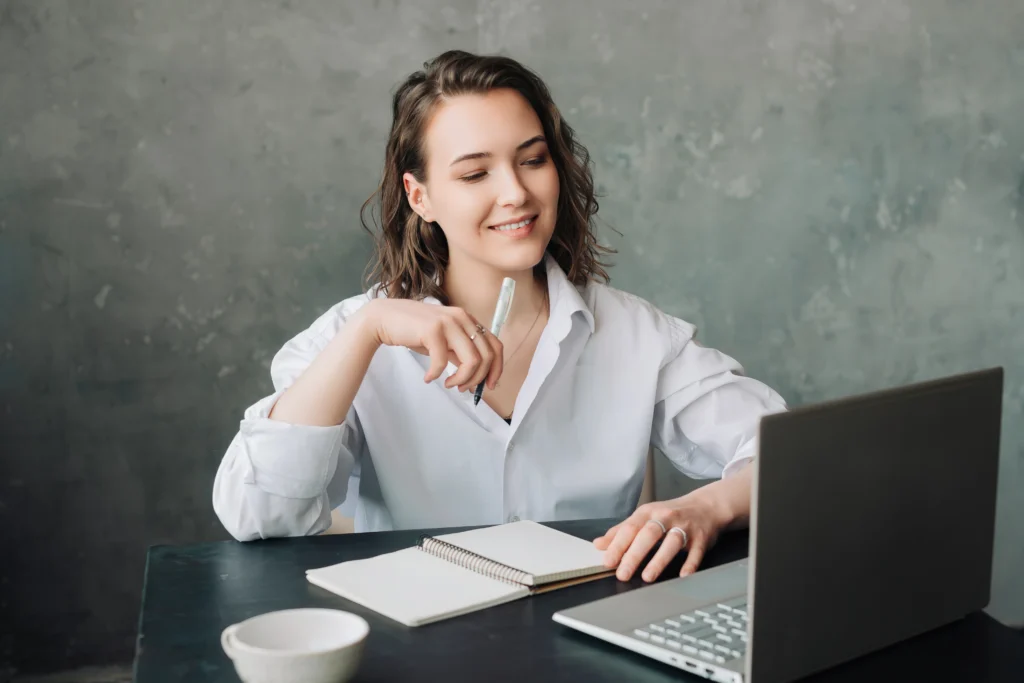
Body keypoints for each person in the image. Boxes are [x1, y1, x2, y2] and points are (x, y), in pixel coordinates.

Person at [212, 50, 786, 584]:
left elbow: (790, 459)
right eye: (474, 173)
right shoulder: (348, 337)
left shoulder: (636, 335)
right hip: (414, 645)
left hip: (583, 639)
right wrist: (368, 331)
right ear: (420, 197)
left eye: (532, 160)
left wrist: (706, 505)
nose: (515, 193)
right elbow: (259, 515)